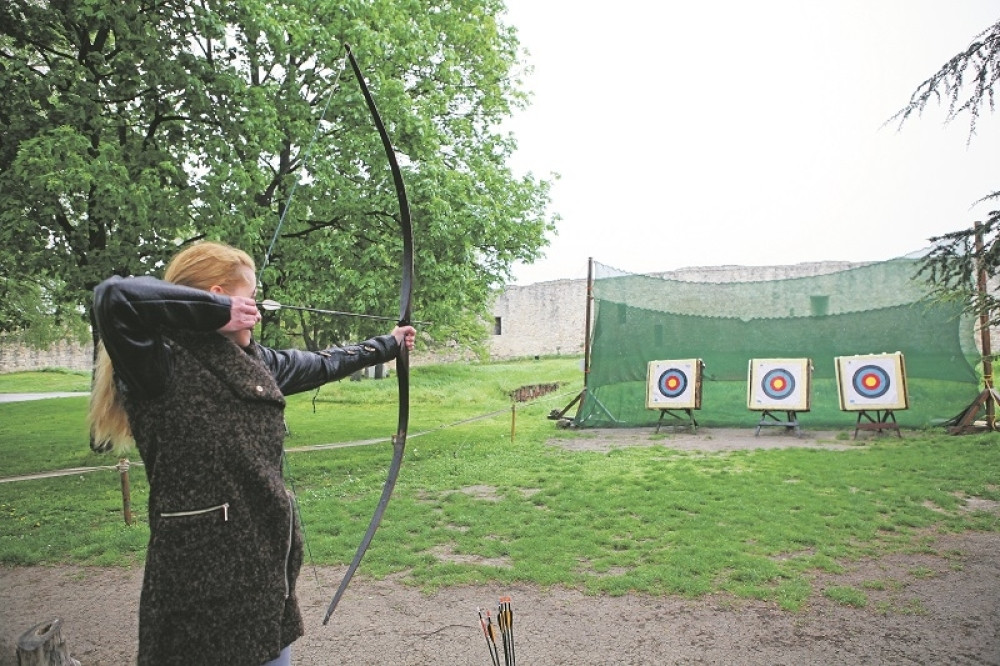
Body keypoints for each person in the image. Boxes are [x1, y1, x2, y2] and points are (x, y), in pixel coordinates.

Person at [88, 241, 416, 666]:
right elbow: (113, 298)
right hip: (198, 593)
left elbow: (322, 362)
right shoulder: (158, 363)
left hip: (263, 585)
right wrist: (216, 311)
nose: (256, 312)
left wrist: (387, 345)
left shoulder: (253, 362)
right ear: (216, 295)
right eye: (248, 300)